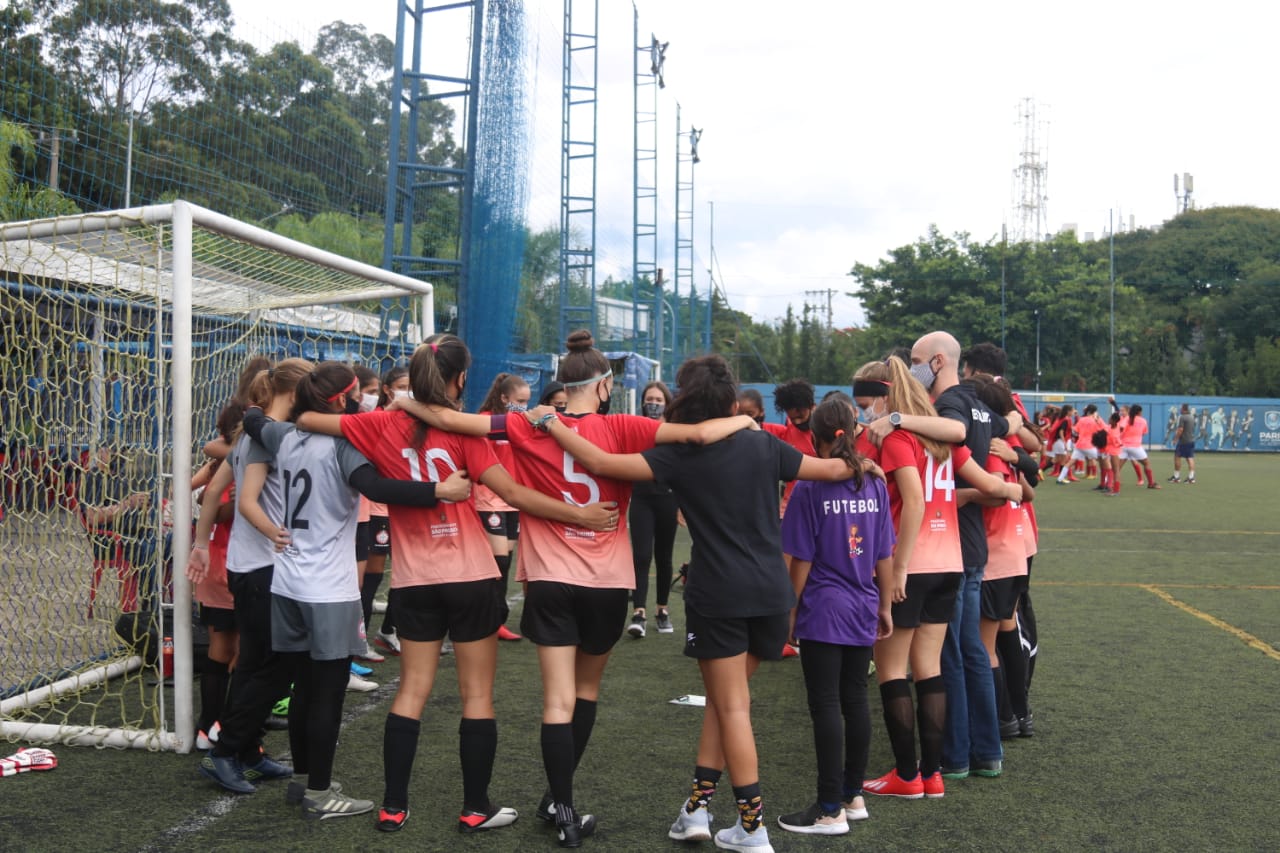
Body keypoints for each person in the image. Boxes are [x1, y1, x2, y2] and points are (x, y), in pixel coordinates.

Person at [394, 332, 755, 848]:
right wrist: (744, 418)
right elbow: (698, 436)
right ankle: (556, 799)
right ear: (605, 386)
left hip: (549, 578)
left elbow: (450, 419)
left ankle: (562, 807)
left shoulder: (527, 420)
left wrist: (401, 400)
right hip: (606, 582)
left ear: (565, 383)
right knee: (585, 694)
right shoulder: (627, 425)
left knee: (556, 701)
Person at [542, 354, 864, 853]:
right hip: (773, 598)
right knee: (723, 702)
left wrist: (548, 421)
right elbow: (832, 468)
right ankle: (696, 809)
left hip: (720, 595)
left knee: (732, 705)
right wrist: (869, 457)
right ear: (732, 400)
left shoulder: (678, 454)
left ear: (685, 398)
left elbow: (600, 462)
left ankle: (752, 830)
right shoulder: (764, 443)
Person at [296, 341, 618, 834]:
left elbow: (308, 421)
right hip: (470, 575)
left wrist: (396, 408)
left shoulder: (377, 424)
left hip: (414, 580)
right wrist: (581, 516)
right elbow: (510, 494)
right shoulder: (464, 430)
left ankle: (393, 806)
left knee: (411, 692)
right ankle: (475, 808)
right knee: (476, 697)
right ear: (461, 380)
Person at [240, 361, 460, 821]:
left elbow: (254, 419)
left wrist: (261, 411)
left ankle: (305, 781)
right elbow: (379, 486)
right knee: (328, 693)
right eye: (357, 394)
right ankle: (321, 793)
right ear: (341, 400)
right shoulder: (342, 445)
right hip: (327, 589)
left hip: (287, 581)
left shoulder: (284, 435)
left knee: (303, 688)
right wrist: (438, 489)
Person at [855, 358, 1020, 801]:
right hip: (951, 562)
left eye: (867, 402)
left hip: (909, 563)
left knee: (892, 670)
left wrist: (900, 569)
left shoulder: (895, 436)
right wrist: (1012, 488)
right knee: (929, 669)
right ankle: (932, 775)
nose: (865, 412)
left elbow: (911, 502)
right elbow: (984, 482)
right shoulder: (940, 437)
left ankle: (907, 775)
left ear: (887, 399)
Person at [776, 398, 894, 836]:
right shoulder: (874, 482)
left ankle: (830, 808)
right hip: (863, 603)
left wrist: (790, 612)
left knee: (825, 704)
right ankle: (852, 795)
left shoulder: (809, 487)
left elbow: (800, 559)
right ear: (855, 432)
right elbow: (883, 551)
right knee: (855, 700)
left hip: (825, 608)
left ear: (815, 437)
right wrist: (883, 605)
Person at [475, 372, 533, 641]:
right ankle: (491, 618)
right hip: (488, 497)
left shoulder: (520, 422)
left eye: (526, 401)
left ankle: (495, 619)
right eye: (519, 401)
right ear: (503, 398)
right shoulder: (486, 421)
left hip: (513, 499)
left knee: (505, 561)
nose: (523, 406)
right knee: (498, 559)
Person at [627, 381, 679, 638]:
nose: (654, 404)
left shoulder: (674, 431)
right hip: (641, 498)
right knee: (641, 555)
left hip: (667, 499)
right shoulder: (636, 427)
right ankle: (639, 612)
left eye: (659, 400)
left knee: (664, 556)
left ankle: (662, 609)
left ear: (667, 403)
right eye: (650, 399)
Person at [372, 367, 411, 658]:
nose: (407, 391)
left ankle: (390, 630)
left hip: (403, 506)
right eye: (401, 386)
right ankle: (357, 643)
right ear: (388, 390)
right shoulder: (376, 420)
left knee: (405, 572)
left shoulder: (412, 419)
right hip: (375, 507)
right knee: (371, 578)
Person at [1110, 399, 1159, 489]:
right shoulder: (1143, 420)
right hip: (1135, 447)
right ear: (1139, 412)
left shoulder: (1127, 418)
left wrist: (1118, 435)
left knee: (1117, 467)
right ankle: (1151, 483)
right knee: (1146, 464)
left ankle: (1110, 484)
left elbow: (1121, 427)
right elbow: (1144, 432)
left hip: (1123, 446)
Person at [1170, 403, 1197, 484]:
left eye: (1180, 408)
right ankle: (1191, 477)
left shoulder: (1182, 417)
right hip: (1191, 440)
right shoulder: (1192, 417)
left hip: (1184, 441)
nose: (1179, 409)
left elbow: (1180, 429)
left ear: (1183, 409)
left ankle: (1176, 477)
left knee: (1177, 456)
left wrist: (1175, 439)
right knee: (1190, 458)